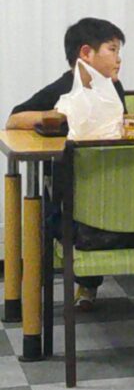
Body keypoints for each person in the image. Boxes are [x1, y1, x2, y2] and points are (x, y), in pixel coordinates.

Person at [6, 17, 126, 310]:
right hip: (72, 190)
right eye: (112, 50)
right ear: (86, 53)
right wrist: (57, 116)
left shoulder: (114, 89)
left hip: (111, 184)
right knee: (55, 210)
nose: (119, 59)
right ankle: (37, 292)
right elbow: (14, 118)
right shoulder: (63, 87)